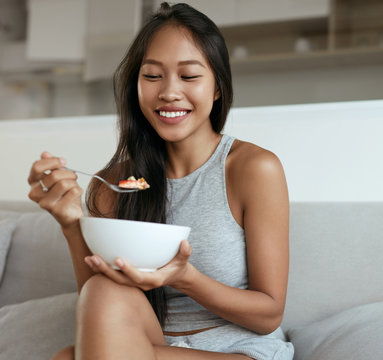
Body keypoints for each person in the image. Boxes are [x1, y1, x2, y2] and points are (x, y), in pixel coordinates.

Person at [27, 3, 294, 359]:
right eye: (152, 76)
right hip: (150, 344)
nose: (168, 92)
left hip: (238, 349)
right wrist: (73, 224)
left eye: (189, 76)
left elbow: (269, 314)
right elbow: (100, 304)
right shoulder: (113, 184)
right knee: (100, 300)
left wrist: (184, 278)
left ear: (217, 88)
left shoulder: (252, 169)